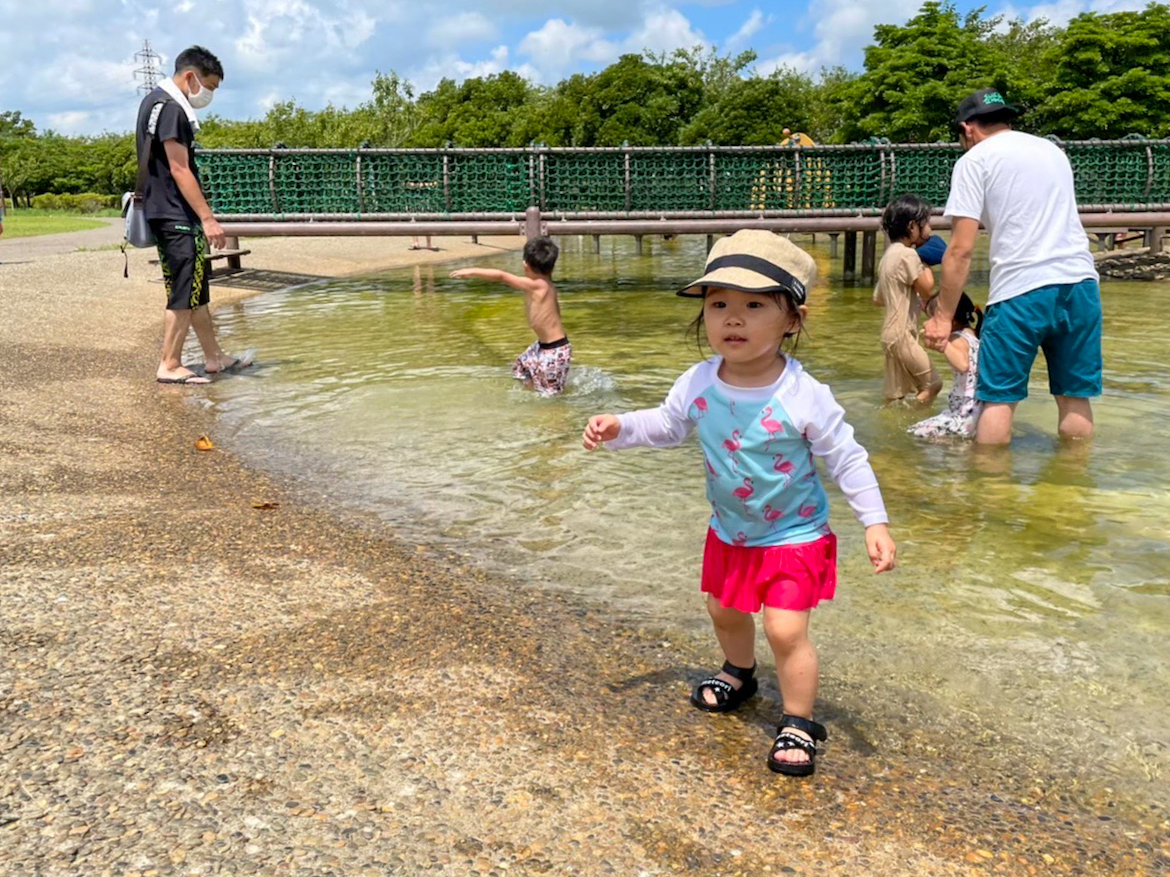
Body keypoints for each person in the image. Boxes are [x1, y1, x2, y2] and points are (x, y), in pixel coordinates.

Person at [581, 230, 896, 776]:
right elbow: (666, 425)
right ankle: (739, 672)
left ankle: (799, 719)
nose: (733, 318)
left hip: (795, 537)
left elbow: (847, 456)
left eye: (754, 306)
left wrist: (875, 521)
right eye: (719, 303)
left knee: (786, 630)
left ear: (792, 320)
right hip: (730, 533)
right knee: (723, 610)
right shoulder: (700, 381)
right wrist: (620, 427)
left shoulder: (803, 394)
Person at [925, 87, 1101, 444]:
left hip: (1021, 290)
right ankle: (1075, 493)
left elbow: (960, 249)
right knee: (1074, 398)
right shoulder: (1052, 151)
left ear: (968, 128)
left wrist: (942, 317)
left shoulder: (974, 160)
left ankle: (990, 495)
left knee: (998, 401)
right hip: (1081, 285)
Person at [137, 45, 252, 385]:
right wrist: (208, 218)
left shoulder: (153, 101)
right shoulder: (171, 109)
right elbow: (179, 168)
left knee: (197, 289)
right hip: (175, 214)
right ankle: (169, 364)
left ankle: (214, 357)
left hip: (166, 210)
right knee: (185, 291)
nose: (209, 95)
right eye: (209, 87)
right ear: (190, 77)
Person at [449, 236, 570, 396]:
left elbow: (501, 276)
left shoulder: (537, 285)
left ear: (525, 265)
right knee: (521, 368)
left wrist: (471, 271)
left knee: (550, 396)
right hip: (543, 347)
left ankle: (552, 412)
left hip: (555, 351)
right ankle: (532, 394)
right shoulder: (543, 284)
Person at [874, 195, 942, 405]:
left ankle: (890, 428)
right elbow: (928, 287)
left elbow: (878, 298)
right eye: (927, 223)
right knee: (932, 384)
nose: (930, 229)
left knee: (896, 395)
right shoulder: (908, 255)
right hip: (902, 333)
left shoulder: (888, 256)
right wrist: (926, 261)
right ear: (913, 227)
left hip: (889, 334)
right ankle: (913, 426)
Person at [909, 293, 983, 439]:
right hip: (977, 410)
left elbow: (963, 365)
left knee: (914, 434)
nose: (928, 322)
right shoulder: (973, 335)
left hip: (964, 414)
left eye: (933, 318)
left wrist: (944, 345)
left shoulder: (956, 338)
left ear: (952, 321)